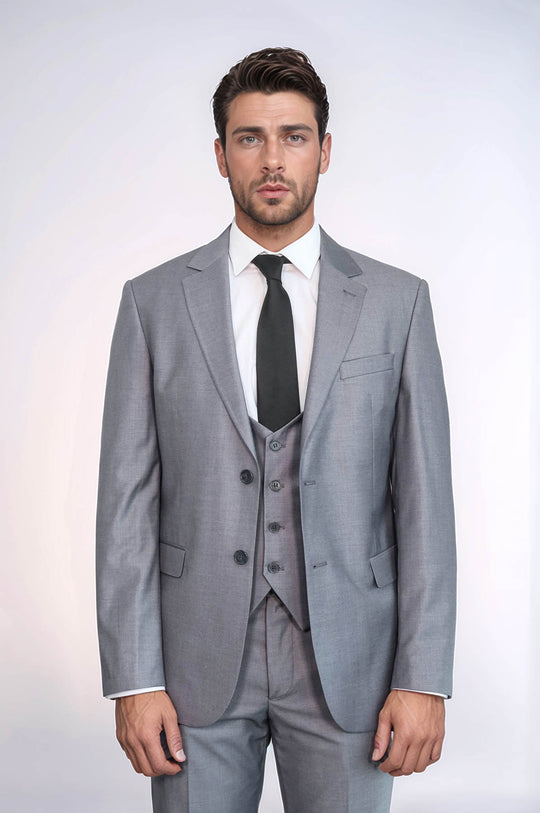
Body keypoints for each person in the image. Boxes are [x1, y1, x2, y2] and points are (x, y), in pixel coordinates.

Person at [96, 47, 456, 813]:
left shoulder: (398, 303)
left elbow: (426, 503)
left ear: (324, 151)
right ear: (219, 154)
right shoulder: (152, 304)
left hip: (352, 665)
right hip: (192, 665)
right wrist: (134, 676)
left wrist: (423, 675)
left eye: (293, 136)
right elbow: (125, 504)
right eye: (249, 137)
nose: (271, 159)